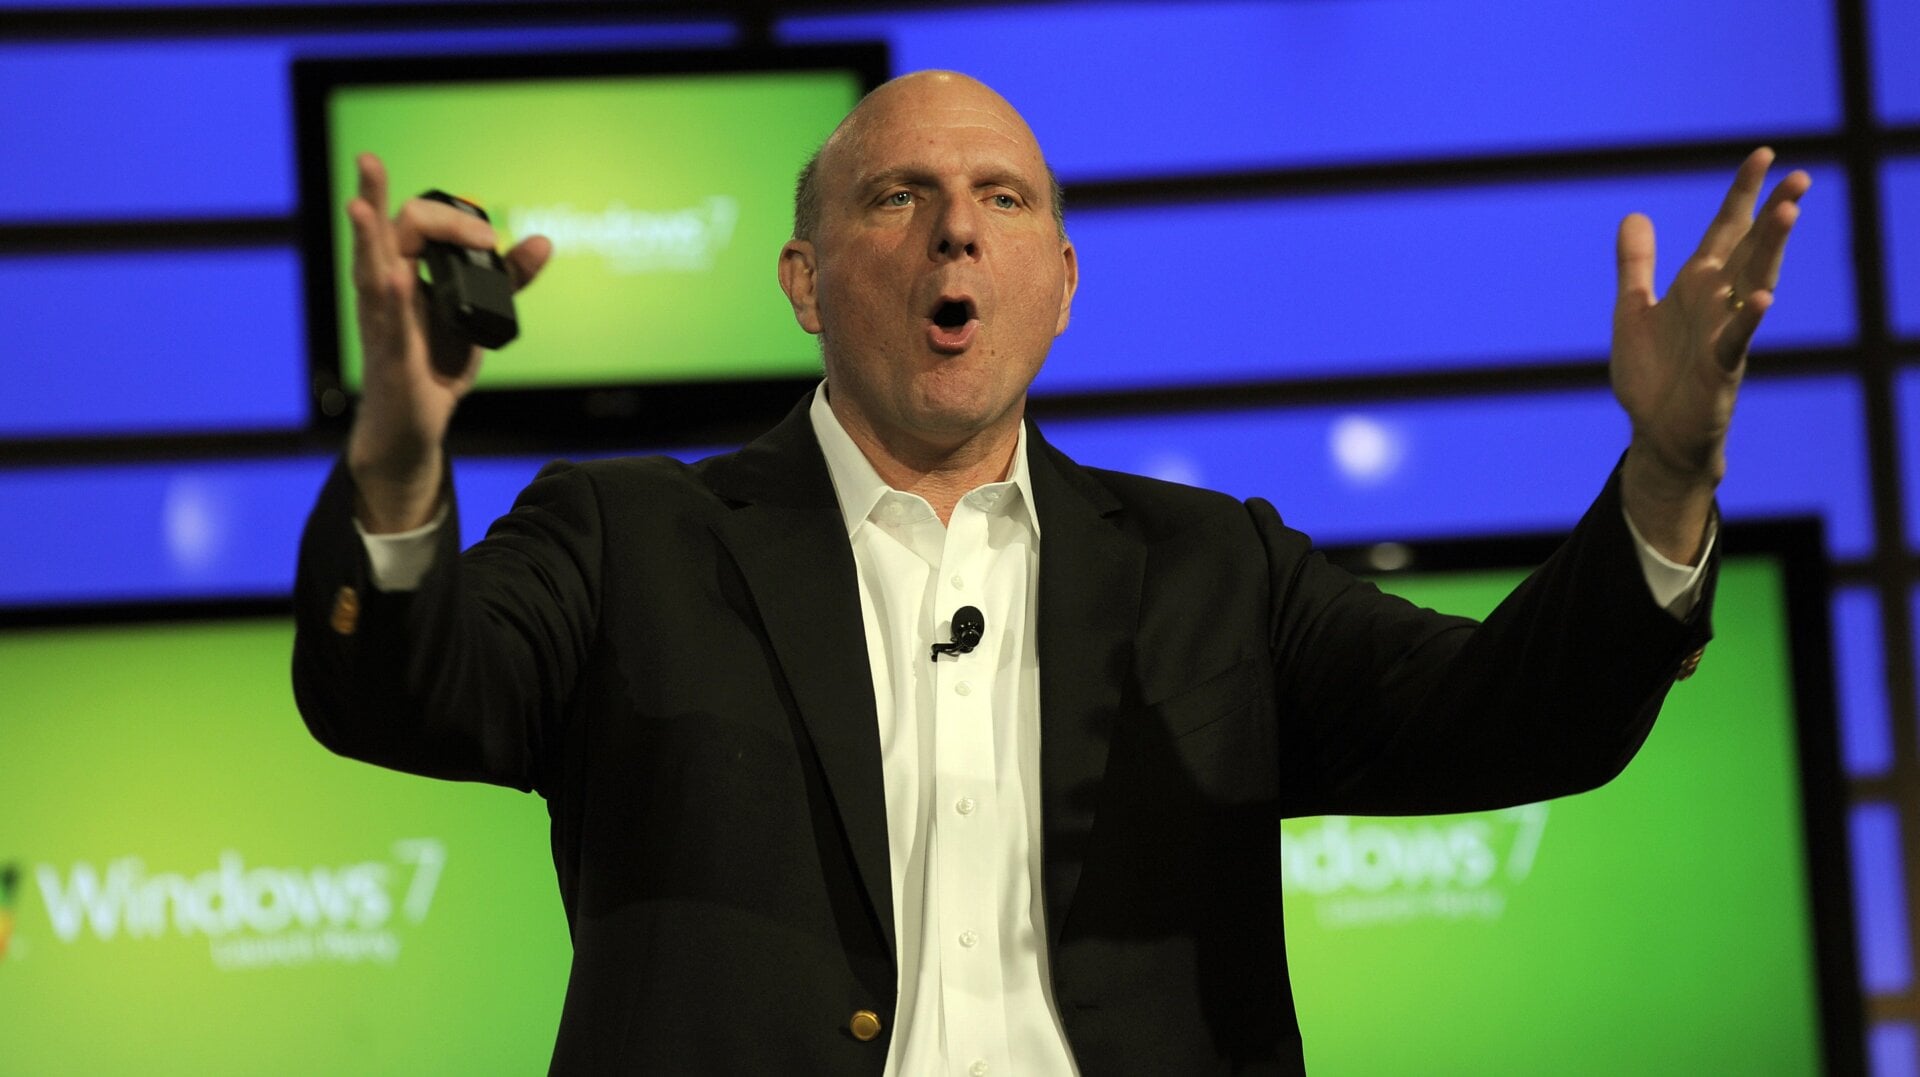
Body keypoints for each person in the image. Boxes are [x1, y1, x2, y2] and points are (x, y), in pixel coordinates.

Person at [293, 70, 1810, 1074]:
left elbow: (1514, 714)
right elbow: (402, 692)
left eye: (1004, 198)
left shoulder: (1212, 569)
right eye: (899, 195)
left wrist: (1668, 472)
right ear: (806, 282)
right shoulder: (631, 538)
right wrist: (398, 455)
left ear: (1062, 286)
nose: (958, 227)